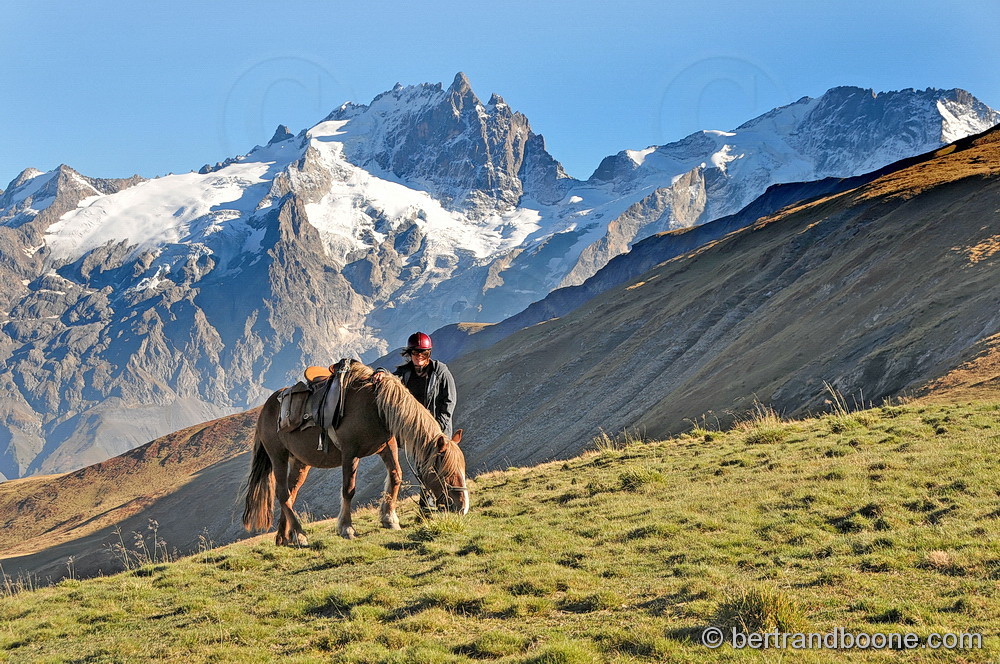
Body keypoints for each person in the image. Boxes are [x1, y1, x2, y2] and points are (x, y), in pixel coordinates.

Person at [391, 332, 457, 438]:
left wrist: (439, 426)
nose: (419, 356)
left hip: (439, 433)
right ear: (410, 353)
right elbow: (390, 380)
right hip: (416, 431)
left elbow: (449, 401)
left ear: (429, 353)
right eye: (415, 352)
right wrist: (380, 372)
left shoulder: (440, 371)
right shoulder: (404, 372)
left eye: (423, 353)